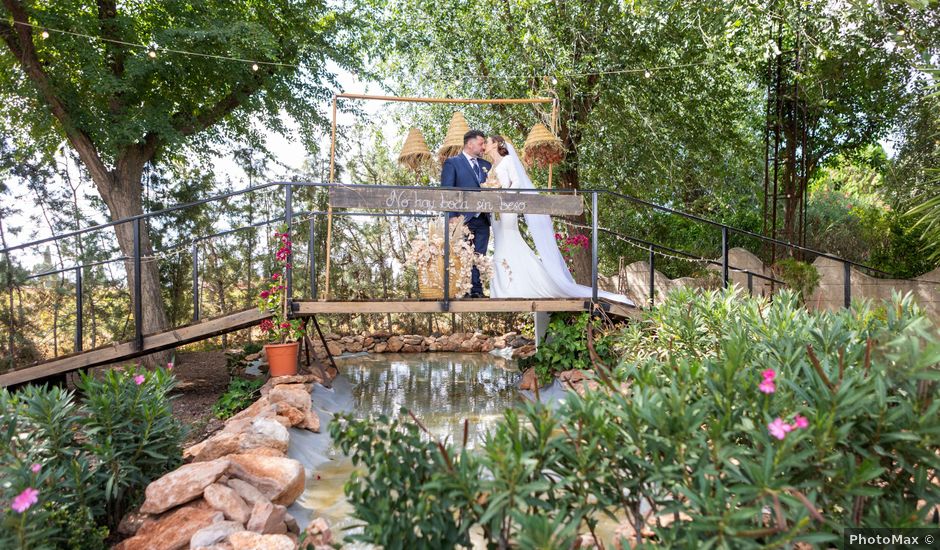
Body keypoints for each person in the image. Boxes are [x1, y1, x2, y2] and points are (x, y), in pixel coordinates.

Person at [483, 134, 634, 305]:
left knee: (511, 240)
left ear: (495, 144)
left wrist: (504, 195)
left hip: (508, 208)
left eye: (487, 142)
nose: (484, 146)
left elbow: (516, 182)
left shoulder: (508, 161)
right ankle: (503, 288)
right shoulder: (491, 166)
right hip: (495, 210)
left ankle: (522, 285)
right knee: (500, 244)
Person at [440, 129, 491, 298]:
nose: (484, 147)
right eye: (481, 143)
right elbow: (447, 191)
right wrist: (451, 216)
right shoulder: (452, 163)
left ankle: (476, 290)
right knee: (463, 254)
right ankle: (463, 290)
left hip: (483, 218)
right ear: (470, 143)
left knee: (479, 255)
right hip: (462, 218)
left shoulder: (487, 166)